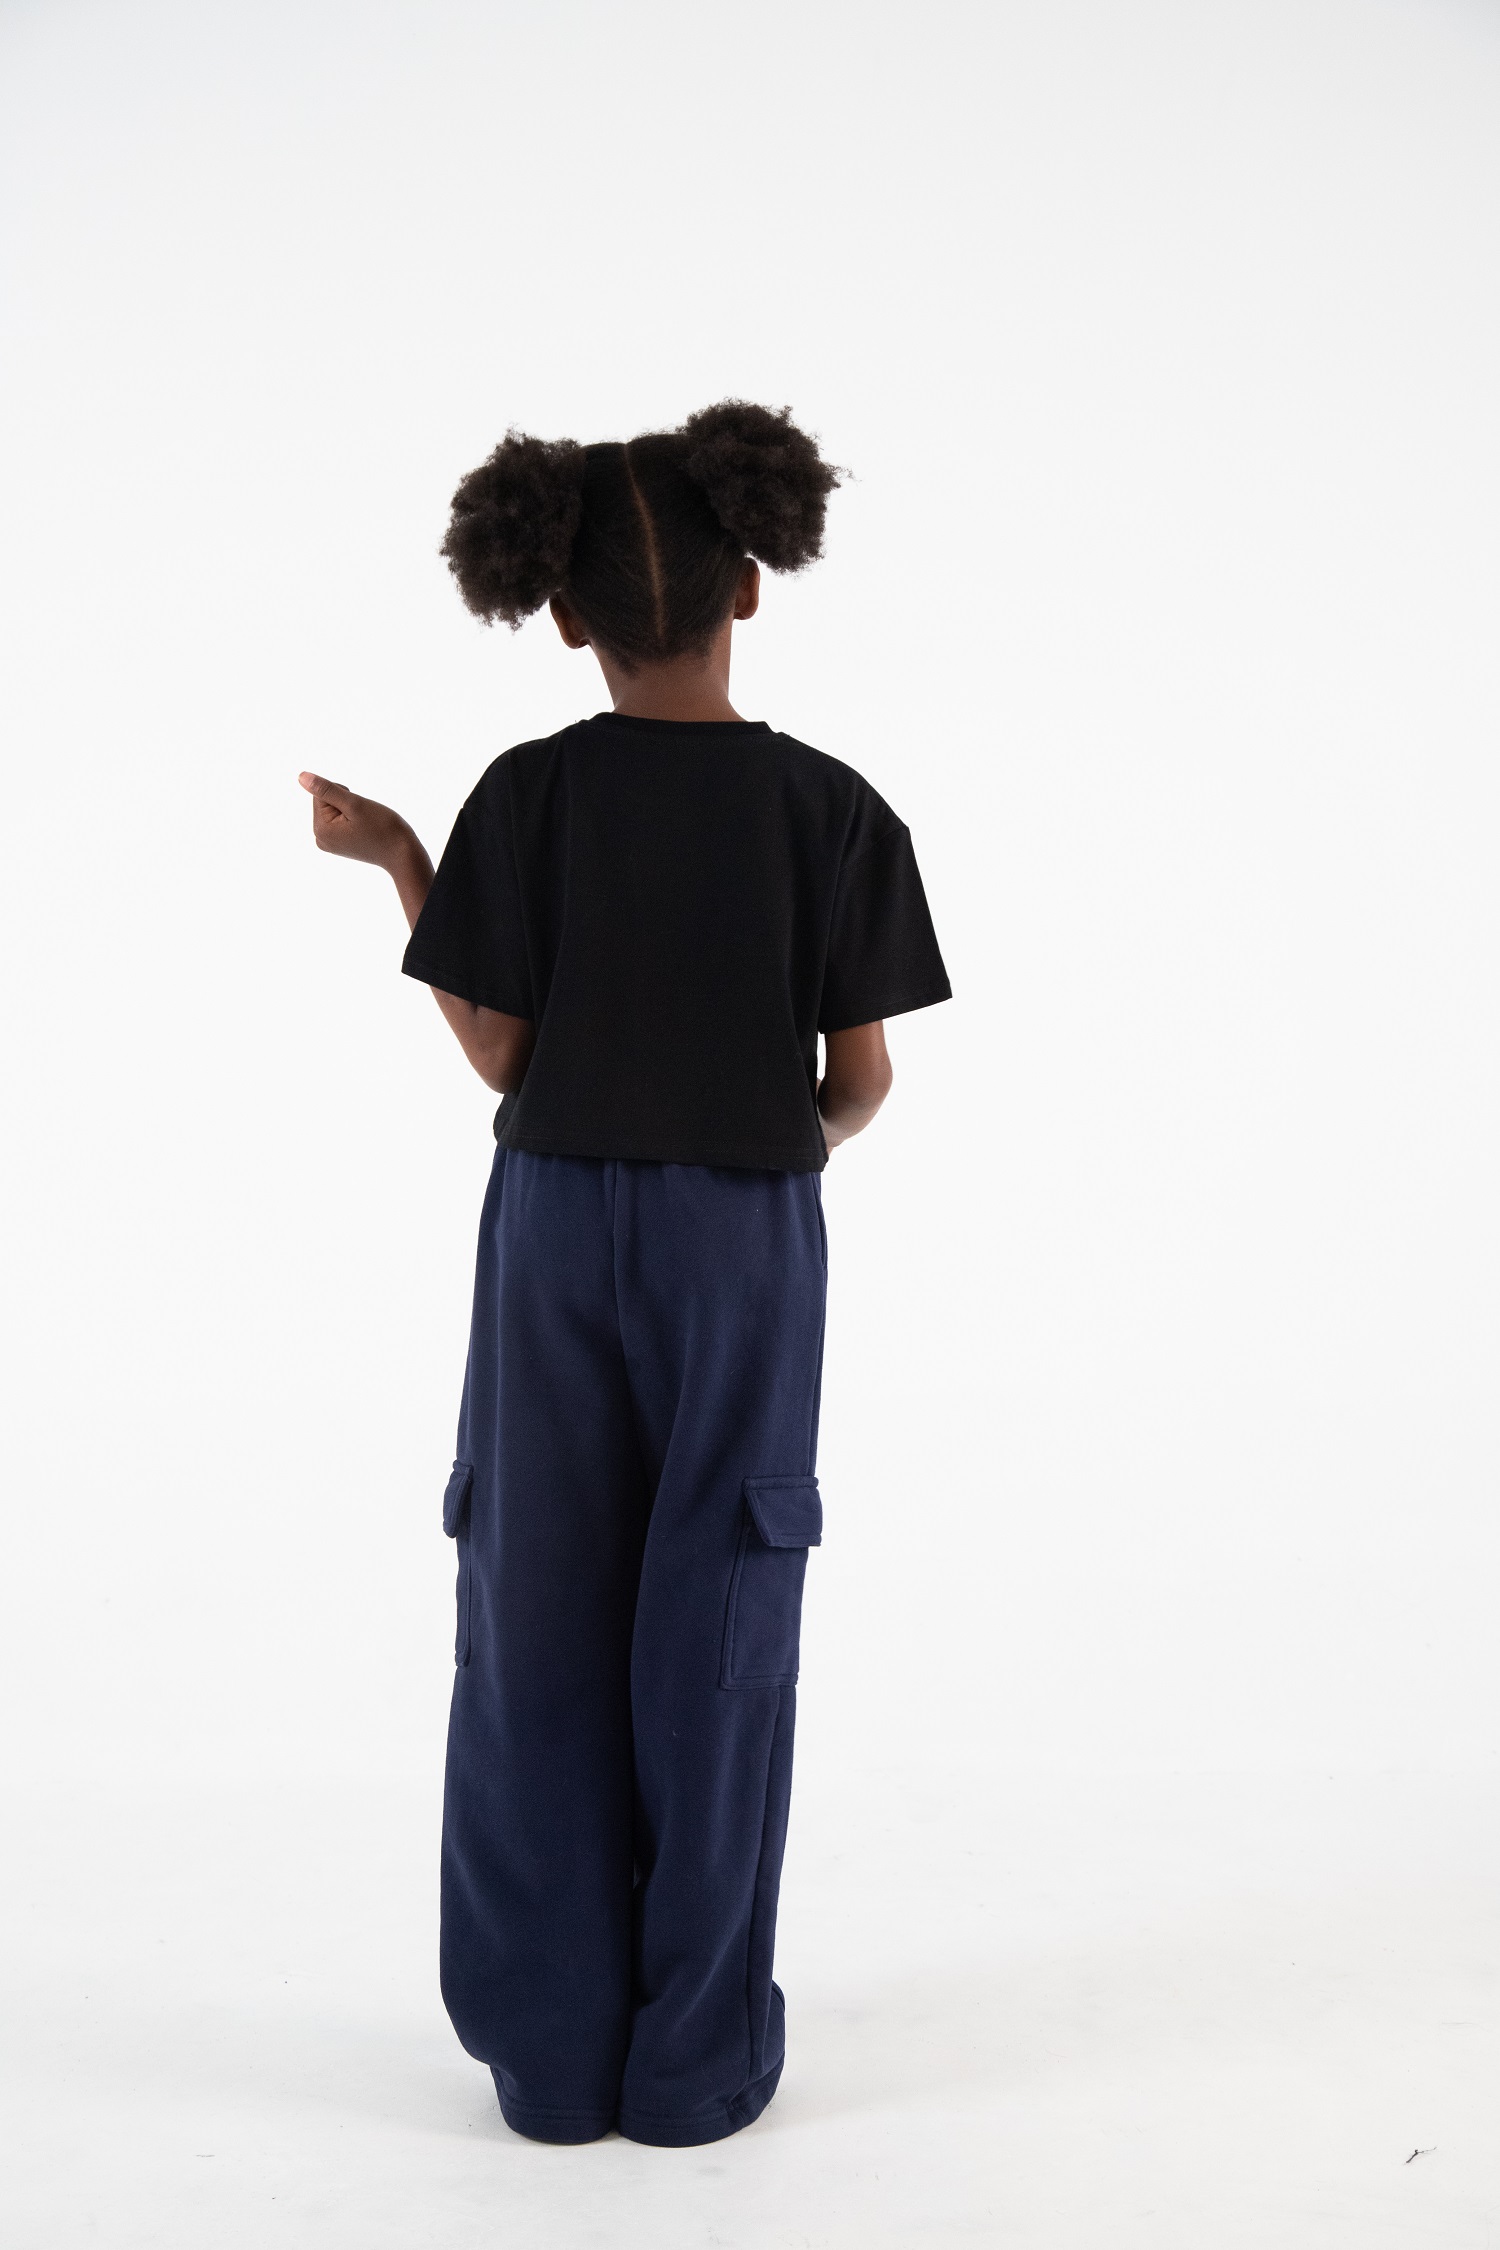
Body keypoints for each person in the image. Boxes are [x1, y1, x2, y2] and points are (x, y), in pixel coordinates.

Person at [299, 401, 950, 2146]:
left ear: (563, 612)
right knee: (722, 1615)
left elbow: (503, 1055)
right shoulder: (835, 811)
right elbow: (860, 1084)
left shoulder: (528, 794)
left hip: (554, 1229)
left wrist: (405, 864)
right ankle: (692, 2065)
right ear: (752, 583)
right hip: (747, 1237)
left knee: (536, 1610)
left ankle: (551, 2058)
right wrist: (772, 1141)